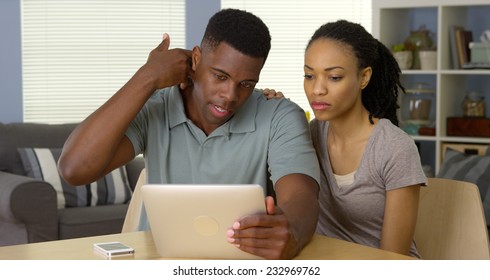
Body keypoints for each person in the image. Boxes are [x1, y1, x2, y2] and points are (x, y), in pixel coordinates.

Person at [57, 9, 320, 260]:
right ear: (196, 60)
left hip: (237, 265)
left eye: (246, 84)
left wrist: (293, 233)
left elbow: (301, 196)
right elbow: (74, 169)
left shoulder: (280, 116)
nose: (230, 95)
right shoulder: (156, 108)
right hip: (155, 262)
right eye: (220, 76)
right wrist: (147, 77)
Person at [303, 20, 426, 258]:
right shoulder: (309, 135)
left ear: (364, 77)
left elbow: (392, 259)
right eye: (309, 75)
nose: (317, 89)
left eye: (334, 77)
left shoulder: (394, 148)